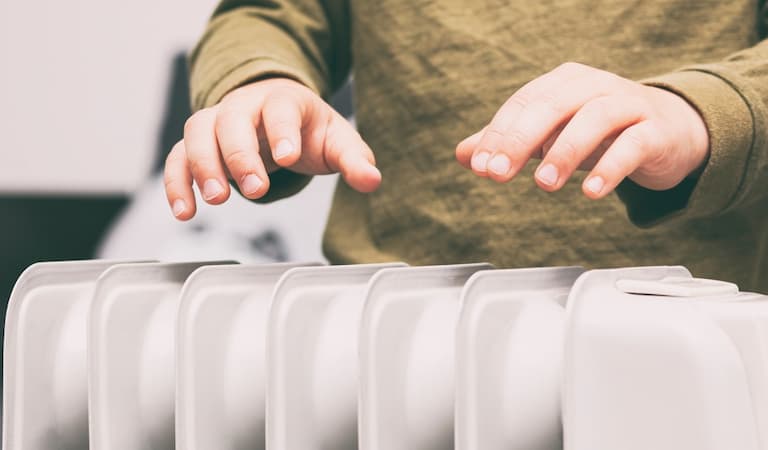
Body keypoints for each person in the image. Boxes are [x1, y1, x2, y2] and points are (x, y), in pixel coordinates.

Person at [164, 0, 768, 293]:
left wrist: (702, 113)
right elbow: (269, 14)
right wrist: (260, 80)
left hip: (697, 322)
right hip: (395, 325)